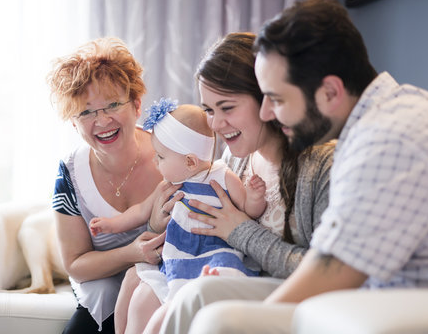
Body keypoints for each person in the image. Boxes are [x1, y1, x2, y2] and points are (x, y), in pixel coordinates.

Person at [183, 0, 428, 333]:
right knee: (204, 294)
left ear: (330, 92)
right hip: (366, 292)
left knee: (220, 321)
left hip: (399, 304)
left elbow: (330, 270)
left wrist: (253, 320)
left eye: (276, 99)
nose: (267, 114)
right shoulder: (380, 117)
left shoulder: (387, 140)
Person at [148, 32, 335, 334]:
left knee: (196, 296)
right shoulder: (234, 162)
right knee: (148, 285)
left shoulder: (321, 166)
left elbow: (330, 271)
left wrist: (240, 231)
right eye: (209, 110)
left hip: (300, 300)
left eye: (227, 108)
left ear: (266, 99)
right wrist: (158, 226)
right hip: (241, 286)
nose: (215, 125)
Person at [91, 100, 266, 334]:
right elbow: (141, 210)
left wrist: (255, 197)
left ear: (190, 161)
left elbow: (248, 209)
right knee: (136, 282)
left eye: (161, 157)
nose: (155, 162)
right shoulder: (169, 185)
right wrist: (111, 225)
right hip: (178, 254)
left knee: (216, 275)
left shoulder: (223, 176)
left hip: (216, 252)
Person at [47, 37, 171, 334]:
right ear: (73, 123)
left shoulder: (174, 155)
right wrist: (133, 253)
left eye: (112, 105)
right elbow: (76, 264)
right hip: (100, 293)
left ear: (137, 105)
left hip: (164, 285)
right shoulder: (70, 173)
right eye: (86, 112)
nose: (101, 121)